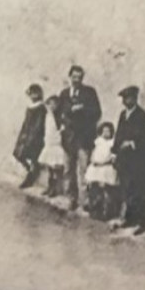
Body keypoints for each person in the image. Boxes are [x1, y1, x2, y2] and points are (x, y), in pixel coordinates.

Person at [112, 85, 145, 235]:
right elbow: (118, 135)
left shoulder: (142, 117)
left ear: (135, 99)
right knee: (126, 189)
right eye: (124, 98)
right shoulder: (123, 115)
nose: (127, 101)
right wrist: (114, 152)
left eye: (129, 98)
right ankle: (128, 219)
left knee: (138, 190)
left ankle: (140, 222)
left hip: (138, 161)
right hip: (124, 160)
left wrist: (132, 143)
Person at [57, 64, 101, 211]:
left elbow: (97, 113)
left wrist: (83, 109)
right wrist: (62, 126)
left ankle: (86, 201)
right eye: (74, 77)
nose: (77, 80)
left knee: (84, 170)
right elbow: (58, 113)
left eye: (79, 77)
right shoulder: (64, 94)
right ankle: (71, 199)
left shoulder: (89, 92)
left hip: (84, 138)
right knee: (68, 170)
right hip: (68, 139)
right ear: (69, 77)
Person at [12, 84, 48, 189]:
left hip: (35, 137)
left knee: (33, 158)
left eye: (34, 94)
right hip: (26, 134)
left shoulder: (41, 108)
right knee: (18, 153)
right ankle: (29, 171)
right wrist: (23, 134)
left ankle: (31, 176)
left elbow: (38, 125)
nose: (32, 96)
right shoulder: (30, 107)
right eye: (31, 94)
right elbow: (25, 122)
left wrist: (31, 137)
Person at [84, 120, 119, 221]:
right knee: (94, 187)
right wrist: (93, 161)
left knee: (105, 189)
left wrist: (106, 162)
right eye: (104, 131)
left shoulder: (112, 143)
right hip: (96, 167)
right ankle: (94, 208)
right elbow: (94, 153)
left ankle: (106, 211)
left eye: (108, 131)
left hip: (106, 167)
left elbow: (112, 157)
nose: (106, 133)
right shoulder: (98, 141)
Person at [38, 95, 69, 198]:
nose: (52, 106)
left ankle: (56, 188)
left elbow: (62, 128)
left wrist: (61, 131)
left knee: (55, 168)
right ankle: (50, 186)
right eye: (50, 104)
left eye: (54, 104)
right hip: (49, 143)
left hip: (56, 143)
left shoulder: (59, 116)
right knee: (49, 168)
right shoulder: (47, 116)